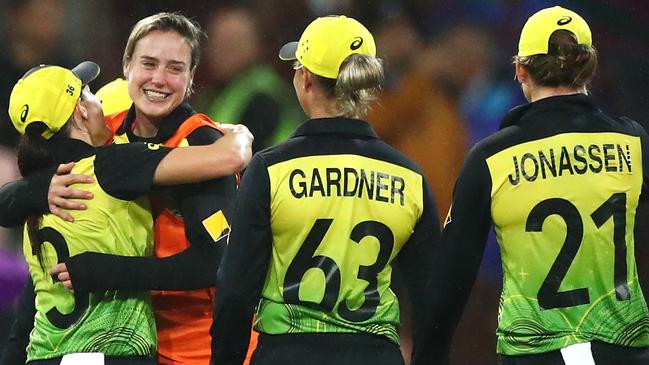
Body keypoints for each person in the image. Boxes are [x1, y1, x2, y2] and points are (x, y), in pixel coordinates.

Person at [0, 12, 250, 365]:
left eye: (175, 68)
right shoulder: (106, 128)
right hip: (126, 344)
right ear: (126, 65)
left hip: (194, 347)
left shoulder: (201, 143)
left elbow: (219, 261)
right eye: (148, 63)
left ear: (192, 76)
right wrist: (38, 190)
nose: (159, 79)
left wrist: (109, 271)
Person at [412, 6, 649, 365]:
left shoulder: (491, 158)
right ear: (590, 67)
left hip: (535, 353)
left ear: (520, 70)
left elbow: (449, 281)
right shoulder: (633, 142)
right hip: (622, 349)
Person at [211, 15, 440, 365]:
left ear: (304, 79)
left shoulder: (271, 169)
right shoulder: (408, 176)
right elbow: (431, 298)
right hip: (375, 356)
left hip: (286, 355)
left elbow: (235, 291)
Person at [197, 5, 303, 154]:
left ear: (255, 45)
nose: (218, 51)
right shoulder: (222, 90)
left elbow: (251, 157)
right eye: (215, 42)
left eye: (230, 44)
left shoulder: (263, 95)